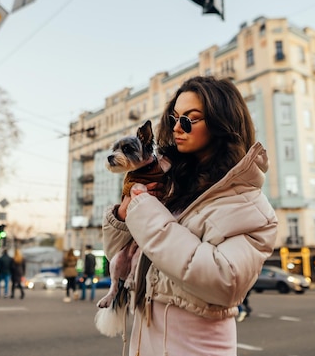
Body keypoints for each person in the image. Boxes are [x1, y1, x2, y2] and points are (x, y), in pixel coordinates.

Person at [102, 76, 278, 355]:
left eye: (189, 119)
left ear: (222, 124)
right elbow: (118, 257)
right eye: (174, 118)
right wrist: (123, 216)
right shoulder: (170, 185)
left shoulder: (249, 205)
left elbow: (224, 283)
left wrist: (145, 211)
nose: (176, 128)